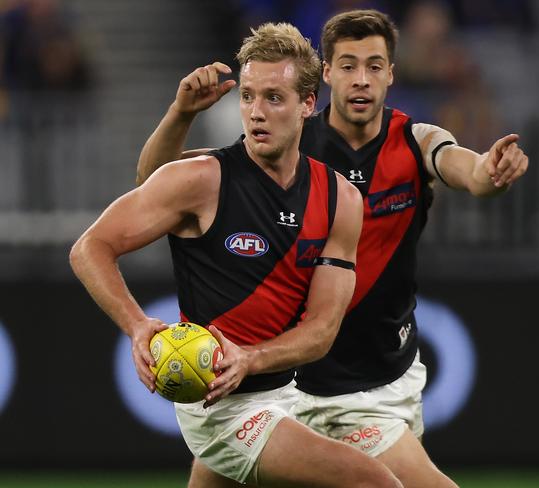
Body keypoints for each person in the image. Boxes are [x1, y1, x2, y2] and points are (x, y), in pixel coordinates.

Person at [136, 10, 529, 488]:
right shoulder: (287, 140)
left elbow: (466, 170)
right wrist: (180, 114)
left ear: (391, 74)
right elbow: (158, 186)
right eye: (347, 65)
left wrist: (489, 172)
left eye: (374, 65)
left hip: (370, 386)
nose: (361, 80)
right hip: (280, 385)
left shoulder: (415, 140)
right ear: (324, 76)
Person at [71, 22, 403, 488]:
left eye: (274, 97)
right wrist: (137, 324)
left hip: (283, 391)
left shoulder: (339, 200)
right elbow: (91, 247)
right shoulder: (204, 178)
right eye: (247, 96)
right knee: (377, 484)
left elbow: (322, 331)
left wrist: (251, 358)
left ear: (308, 104)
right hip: (220, 406)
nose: (256, 112)